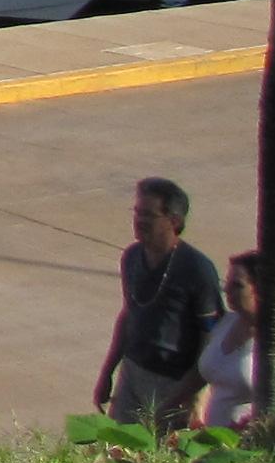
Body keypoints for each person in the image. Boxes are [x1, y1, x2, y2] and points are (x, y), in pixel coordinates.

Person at [92, 176, 223, 435]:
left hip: (174, 382)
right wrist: (107, 372)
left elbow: (210, 336)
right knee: (119, 447)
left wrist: (194, 395)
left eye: (149, 215)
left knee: (165, 453)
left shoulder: (197, 268)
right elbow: (128, 316)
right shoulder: (131, 257)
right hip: (133, 372)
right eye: (137, 212)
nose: (139, 221)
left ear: (174, 221)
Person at [198, 250, 275, 432]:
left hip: (252, 441)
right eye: (227, 283)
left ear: (260, 290)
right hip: (215, 438)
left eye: (237, 285)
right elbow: (205, 375)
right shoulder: (226, 323)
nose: (227, 290)